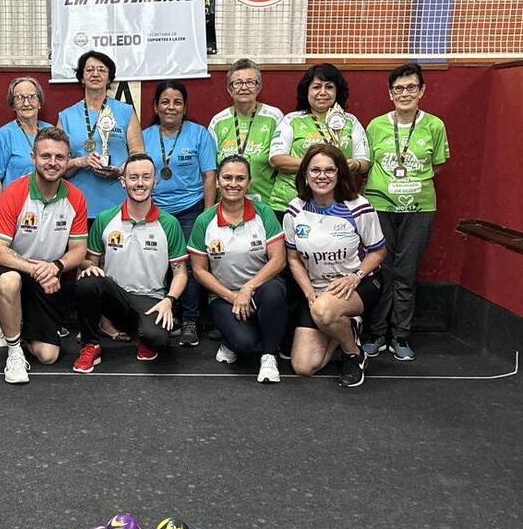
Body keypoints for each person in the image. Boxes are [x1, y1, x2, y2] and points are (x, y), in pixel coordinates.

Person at [0, 126, 89, 385]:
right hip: (11, 266)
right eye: (46, 156)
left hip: (48, 274)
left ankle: (14, 323)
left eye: (59, 158)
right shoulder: (13, 192)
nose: (52, 163)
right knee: (9, 281)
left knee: (48, 355)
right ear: (33, 157)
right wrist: (37, 271)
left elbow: (78, 251)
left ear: (67, 161)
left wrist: (55, 266)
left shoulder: (76, 198)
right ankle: (14, 352)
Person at [361, 62, 450, 361]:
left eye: (411, 87)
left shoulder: (434, 126)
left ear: (422, 90)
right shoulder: (375, 126)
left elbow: (437, 165)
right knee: (379, 271)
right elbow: (366, 163)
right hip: (379, 206)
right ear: (389, 93)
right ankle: (375, 333)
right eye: (398, 88)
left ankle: (400, 335)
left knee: (406, 272)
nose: (405, 93)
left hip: (419, 207)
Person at [72, 154, 189, 373]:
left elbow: (180, 272)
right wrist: (88, 267)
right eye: (133, 177)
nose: (140, 183)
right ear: (123, 181)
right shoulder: (106, 219)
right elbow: (89, 262)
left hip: (151, 299)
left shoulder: (169, 224)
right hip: (116, 296)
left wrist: (169, 300)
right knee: (87, 282)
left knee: (157, 339)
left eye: (146, 177)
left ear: (155, 181)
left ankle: (142, 336)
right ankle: (91, 344)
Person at [284, 144, 387, 389]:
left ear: (340, 173)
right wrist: (309, 293)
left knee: (324, 310)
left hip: (360, 283)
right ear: (305, 175)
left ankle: (354, 355)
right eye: (315, 170)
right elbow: (293, 258)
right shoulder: (294, 210)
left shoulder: (359, 207)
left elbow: (379, 251)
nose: (322, 176)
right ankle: (347, 325)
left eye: (330, 170)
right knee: (304, 366)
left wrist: (355, 276)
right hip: (317, 291)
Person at [188, 155, 288, 384]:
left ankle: (269, 356)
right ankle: (232, 336)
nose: (233, 184)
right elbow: (199, 270)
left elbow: (278, 259)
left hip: (261, 289)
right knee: (244, 343)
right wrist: (232, 296)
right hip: (224, 296)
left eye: (240, 178)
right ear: (217, 182)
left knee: (274, 292)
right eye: (227, 178)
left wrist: (248, 289)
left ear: (249, 182)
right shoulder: (205, 220)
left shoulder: (263, 213)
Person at [140, 80, 216, 347]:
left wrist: (207, 216)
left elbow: (209, 176)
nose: (170, 107)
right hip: (154, 210)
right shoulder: (144, 136)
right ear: (155, 107)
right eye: (165, 102)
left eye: (177, 102)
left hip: (191, 210)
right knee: (158, 265)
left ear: (185, 107)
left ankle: (190, 321)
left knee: (190, 268)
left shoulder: (199, 134)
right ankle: (161, 316)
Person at [268, 63, 370, 216]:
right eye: (316, 87)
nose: (322, 92)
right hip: (290, 205)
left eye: (329, 87)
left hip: (338, 204)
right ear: (307, 91)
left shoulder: (350, 121)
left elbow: (365, 162)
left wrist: (354, 164)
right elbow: (276, 159)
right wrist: (319, 166)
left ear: (337, 92)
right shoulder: (292, 120)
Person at [57, 50, 145, 218]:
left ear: (109, 78)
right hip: (78, 205)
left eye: (102, 70)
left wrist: (119, 170)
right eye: (89, 70)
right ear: (82, 77)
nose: (95, 74)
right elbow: (58, 164)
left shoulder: (125, 112)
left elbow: (138, 154)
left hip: (119, 204)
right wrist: (80, 161)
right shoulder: (66, 116)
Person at [207, 58, 285, 209]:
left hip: (266, 204)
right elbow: (211, 168)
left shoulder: (274, 117)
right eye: (238, 83)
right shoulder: (217, 122)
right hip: (226, 205)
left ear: (259, 87)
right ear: (229, 89)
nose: (244, 87)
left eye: (250, 82)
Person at [0, 76, 52, 210]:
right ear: (13, 105)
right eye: (19, 98)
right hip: (16, 208)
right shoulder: (5, 134)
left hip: (49, 207)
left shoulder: (51, 131)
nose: (26, 103)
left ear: (40, 102)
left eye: (32, 97)